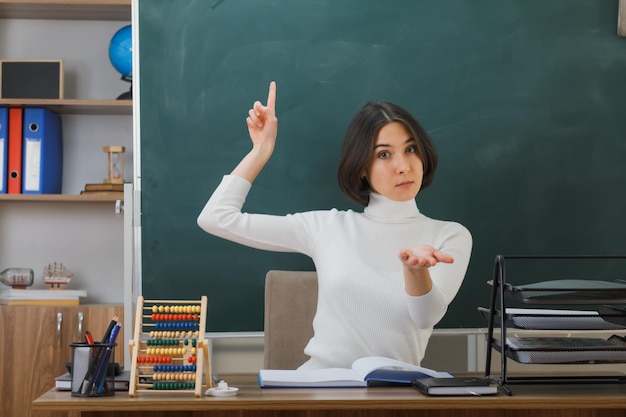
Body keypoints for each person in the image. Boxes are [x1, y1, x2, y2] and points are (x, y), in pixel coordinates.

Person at [197, 81, 472, 370]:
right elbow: (215, 218)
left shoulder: (449, 236)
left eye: (411, 149)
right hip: (321, 389)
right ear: (362, 167)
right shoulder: (326, 226)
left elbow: (426, 316)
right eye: (384, 154)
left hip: (395, 392)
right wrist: (261, 150)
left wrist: (415, 271)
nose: (403, 166)